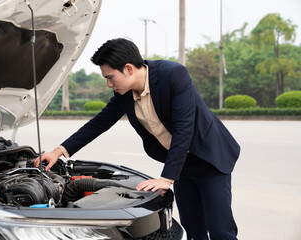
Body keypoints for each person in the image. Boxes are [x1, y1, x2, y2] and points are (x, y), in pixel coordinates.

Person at [34, 38, 240, 240]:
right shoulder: (124, 94)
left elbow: (184, 128)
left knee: (221, 232)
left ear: (129, 69)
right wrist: (58, 152)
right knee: (194, 230)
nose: (108, 84)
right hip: (181, 164)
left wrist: (166, 178)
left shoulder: (174, 75)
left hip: (210, 159)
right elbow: (98, 124)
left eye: (110, 77)